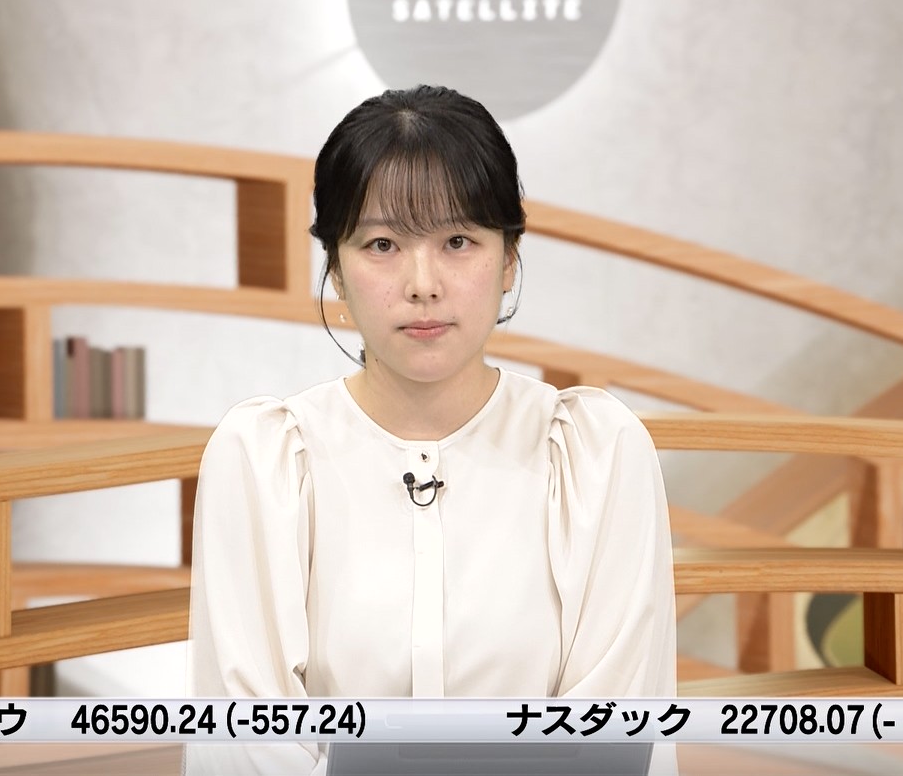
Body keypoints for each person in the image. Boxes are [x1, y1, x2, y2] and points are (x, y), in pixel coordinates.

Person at [185, 86, 676, 775]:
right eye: (383, 244)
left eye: (457, 241)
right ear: (336, 270)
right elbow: (246, 745)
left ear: (509, 260)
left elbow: (611, 736)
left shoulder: (597, 452)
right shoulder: (261, 459)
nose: (423, 283)